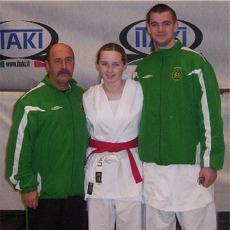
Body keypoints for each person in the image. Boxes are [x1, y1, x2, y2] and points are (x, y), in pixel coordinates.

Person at [134, 4, 225, 230]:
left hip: (190, 168)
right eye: (155, 24)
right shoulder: (142, 69)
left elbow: (210, 114)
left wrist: (210, 162)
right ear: (148, 29)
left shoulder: (195, 63)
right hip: (154, 169)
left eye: (166, 23)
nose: (161, 29)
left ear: (176, 26)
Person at [6, 43, 88, 230]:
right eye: (57, 61)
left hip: (77, 196)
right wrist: (27, 186)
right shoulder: (31, 102)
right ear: (47, 65)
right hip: (44, 196)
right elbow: (19, 149)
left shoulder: (83, 98)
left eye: (68, 60)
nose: (64, 66)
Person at [83, 43, 143, 230]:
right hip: (99, 168)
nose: (110, 70)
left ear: (125, 66)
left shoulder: (139, 91)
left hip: (129, 166)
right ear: (97, 65)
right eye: (104, 64)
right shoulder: (89, 96)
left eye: (115, 64)